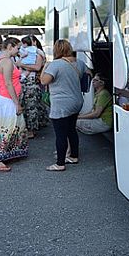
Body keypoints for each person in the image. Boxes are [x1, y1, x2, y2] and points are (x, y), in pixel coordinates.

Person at [40, 39, 90, 171]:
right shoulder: (79, 62)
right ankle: (73, 156)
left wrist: (45, 67)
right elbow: (89, 73)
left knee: (60, 134)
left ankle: (60, 163)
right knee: (71, 130)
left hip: (61, 104)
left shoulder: (55, 64)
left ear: (57, 50)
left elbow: (44, 81)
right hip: (77, 101)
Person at [0, 37, 28, 172]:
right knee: (7, 127)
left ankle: (7, 152)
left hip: (2, 96)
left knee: (7, 126)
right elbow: (8, 83)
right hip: (8, 98)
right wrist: (16, 103)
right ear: (11, 46)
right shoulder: (7, 62)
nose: (19, 50)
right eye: (18, 48)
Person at [15, 35, 45, 139]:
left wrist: (22, 65)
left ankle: (31, 130)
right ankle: (27, 128)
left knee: (31, 106)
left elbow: (37, 67)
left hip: (32, 82)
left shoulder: (37, 54)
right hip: (22, 82)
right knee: (25, 105)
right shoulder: (25, 52)